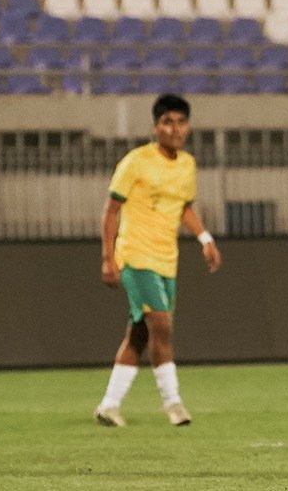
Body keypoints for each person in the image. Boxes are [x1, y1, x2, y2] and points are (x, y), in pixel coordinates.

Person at [94, 94, 222, 428]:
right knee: (162, 325)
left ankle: (109, 405)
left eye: (180, 121)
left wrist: (204, 238)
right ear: (155, 127)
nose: (174, 128)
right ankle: (174, 403)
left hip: (167, 260)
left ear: (188, 127)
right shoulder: (136, 162)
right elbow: (111, 209)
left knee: (139, 334)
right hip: (136, 256)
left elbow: (184, 208)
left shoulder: (186, 165)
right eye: (167, 121)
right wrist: (108, 258)